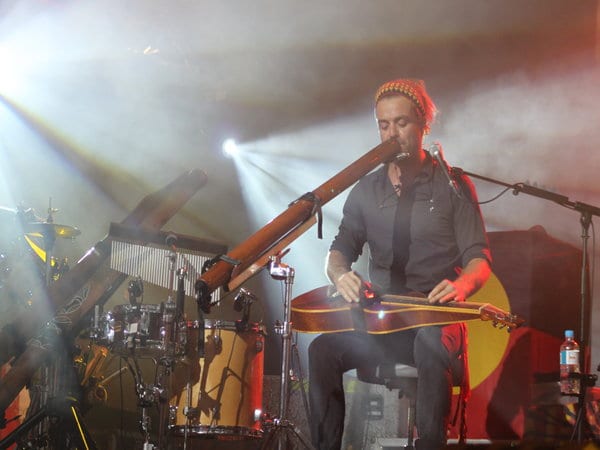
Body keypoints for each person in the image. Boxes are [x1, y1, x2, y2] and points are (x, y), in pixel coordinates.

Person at [308, 79, 492, 450]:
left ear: (424, 125)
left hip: (437, 321)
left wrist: (460, 287)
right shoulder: (367, 189)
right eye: (384, 125)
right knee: (321, 350)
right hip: (384, 323)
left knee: (429, 340)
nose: (392, 133)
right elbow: (338, 249)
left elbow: (479, 259)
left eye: (402, 123)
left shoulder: (453, 184)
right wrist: (340, 274)